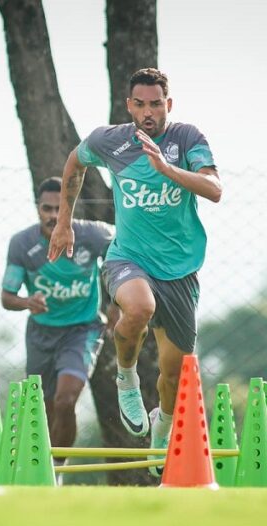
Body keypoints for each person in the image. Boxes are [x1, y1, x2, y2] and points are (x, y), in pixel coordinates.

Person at [48, 67, 221, 476]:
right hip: (129, 257)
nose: (148, 112)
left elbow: (214, 189)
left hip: (179, 269)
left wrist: (167, 170)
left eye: (156, 104)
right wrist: (64, 222)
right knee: (138, 308)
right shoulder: (110, 140)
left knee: (173, 376)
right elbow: (75, 161)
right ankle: (126, 380)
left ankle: (162, 426)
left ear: (169, 105)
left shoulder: (187, 139)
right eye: (140, 104)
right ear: (129, 106)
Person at [1, 176, 114, 475]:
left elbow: (125, 256)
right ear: (37, 208)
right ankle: (41, 471)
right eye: (46, 208)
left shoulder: (94, 236)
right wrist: (28, 302)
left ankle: (58, 471)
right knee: (45, 408)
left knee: (66, 401)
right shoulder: (22, 245)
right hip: (41, 333)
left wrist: (118, 305)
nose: (53, 215)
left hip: (82, 330)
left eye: (59, 208)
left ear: (70, 207)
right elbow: (6, 297)